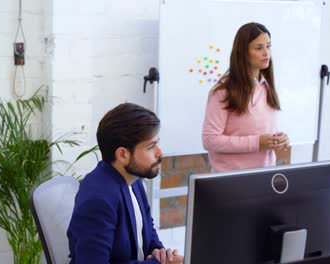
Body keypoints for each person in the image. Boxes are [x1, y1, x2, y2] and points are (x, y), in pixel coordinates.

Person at [67, 103, 184, 264]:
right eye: (151, 147)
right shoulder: (98, 199)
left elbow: (147, 228)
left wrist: (161, 253)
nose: (160, 152)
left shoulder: (132, 178)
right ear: (123, 154)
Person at [202, 22, 289, 172]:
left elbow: (261, 130)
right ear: (243, 52)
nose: (266, 53)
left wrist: (280, 139)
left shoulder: (267, 87)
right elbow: (210, 140)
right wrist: (257, 143)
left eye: (268, 46)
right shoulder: (223, 91)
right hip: (231, 181)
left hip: (264, 176)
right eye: (258, 48)